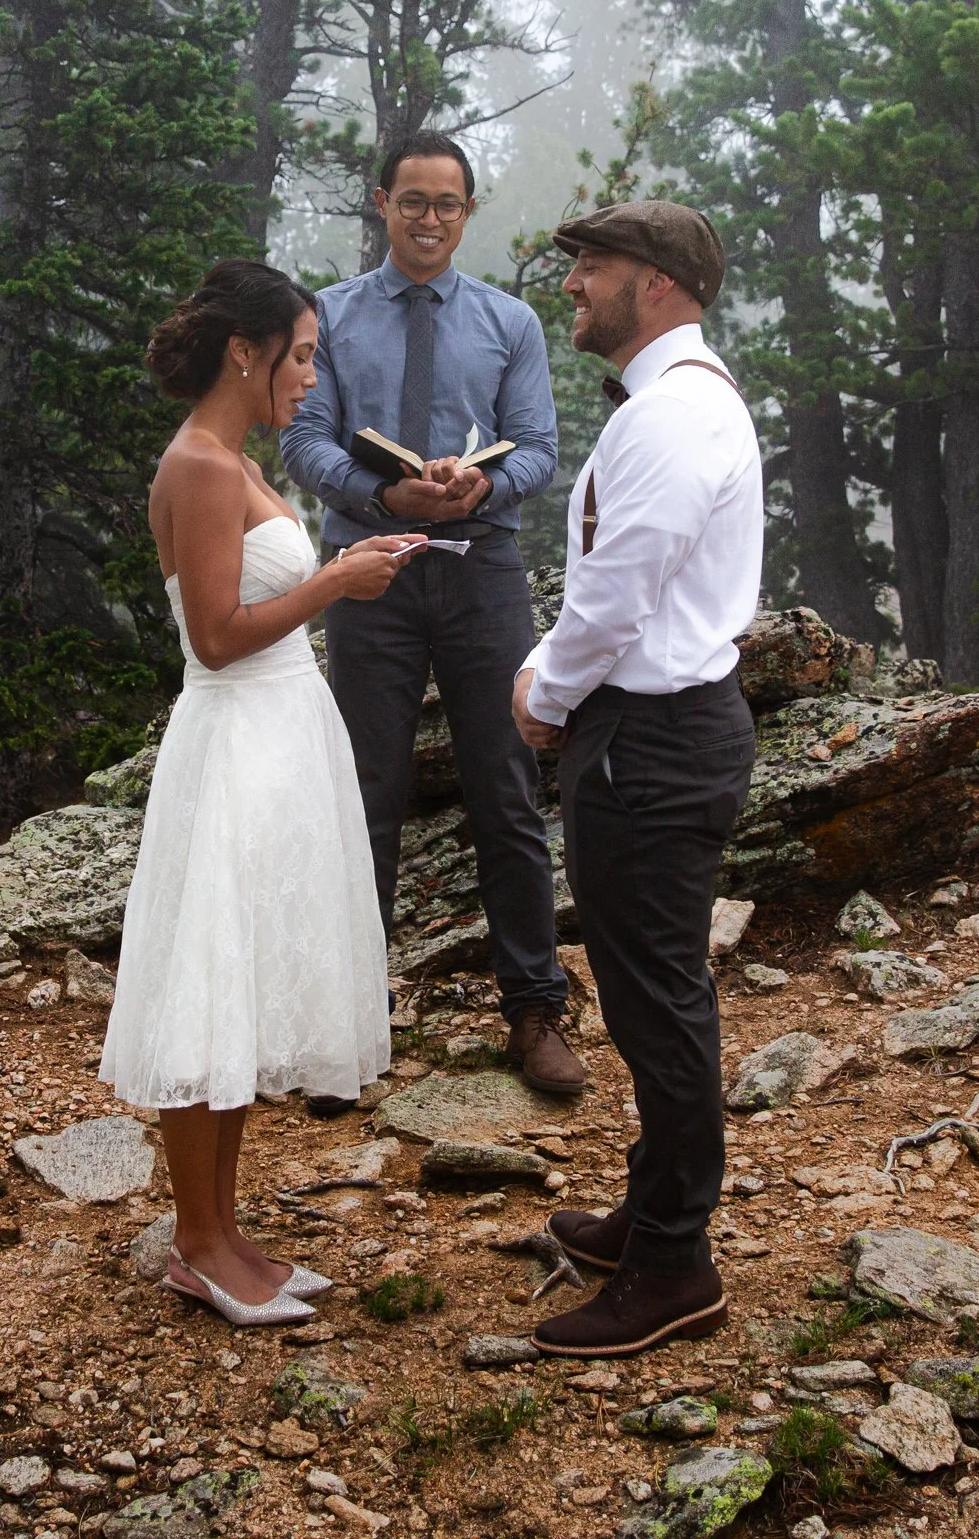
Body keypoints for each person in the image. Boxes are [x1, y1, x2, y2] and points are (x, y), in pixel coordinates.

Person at [100, 259, 418, 1327]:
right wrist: (332, 582)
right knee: (209, 986)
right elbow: (216, 637)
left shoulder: (231, 458)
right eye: (303, 355)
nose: (310, 378)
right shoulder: (196, 461)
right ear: (248, 350)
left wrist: (346, 561)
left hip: (281, 739)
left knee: (240, 989)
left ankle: (225, 1230)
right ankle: (194, 1242)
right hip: (234, 740)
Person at [280, 130, 584, 1100]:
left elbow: (536, 448)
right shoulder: (327, 316)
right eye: (411, 201)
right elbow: (305, 439)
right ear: (380, 203)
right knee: (362, 793)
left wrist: (473, 487)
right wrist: (381, 499)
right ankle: (347, 1020)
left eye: (446, 203)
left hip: (481, 569)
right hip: (370, 572)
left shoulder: (509, 322)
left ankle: (534, 1007)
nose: (427, 219)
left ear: (466, 211)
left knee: (504, 787)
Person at [510, 200, 763, 1358]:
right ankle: (649, 1212)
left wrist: (541, 691)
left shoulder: (671, 416)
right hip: (658, 731)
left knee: (659, 1005)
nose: (574, 285)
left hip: (650, 739)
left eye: (593, 267)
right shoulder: (672, 405)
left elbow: (619, 590)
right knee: (648, 992)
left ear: (655, 283)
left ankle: (674, 1261)